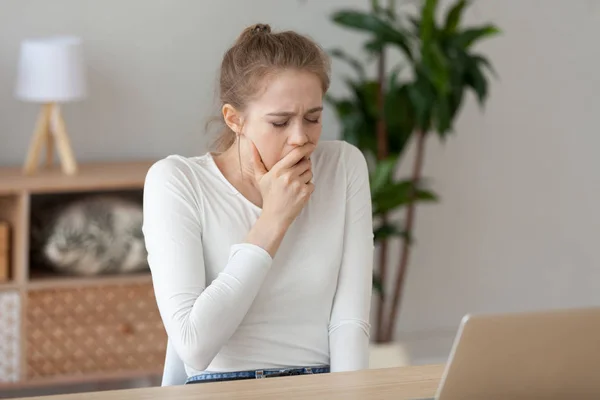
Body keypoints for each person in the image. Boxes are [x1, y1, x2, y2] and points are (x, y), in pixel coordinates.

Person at [142, 23, 374, 385]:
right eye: (280, 122)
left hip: (320, 386)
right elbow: (194, 346)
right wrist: (274, 219)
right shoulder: (178, 182)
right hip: (220, 387)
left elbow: (349, 323)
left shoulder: (343, 166)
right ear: (235, 119)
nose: (301, 138)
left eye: (313, 118)